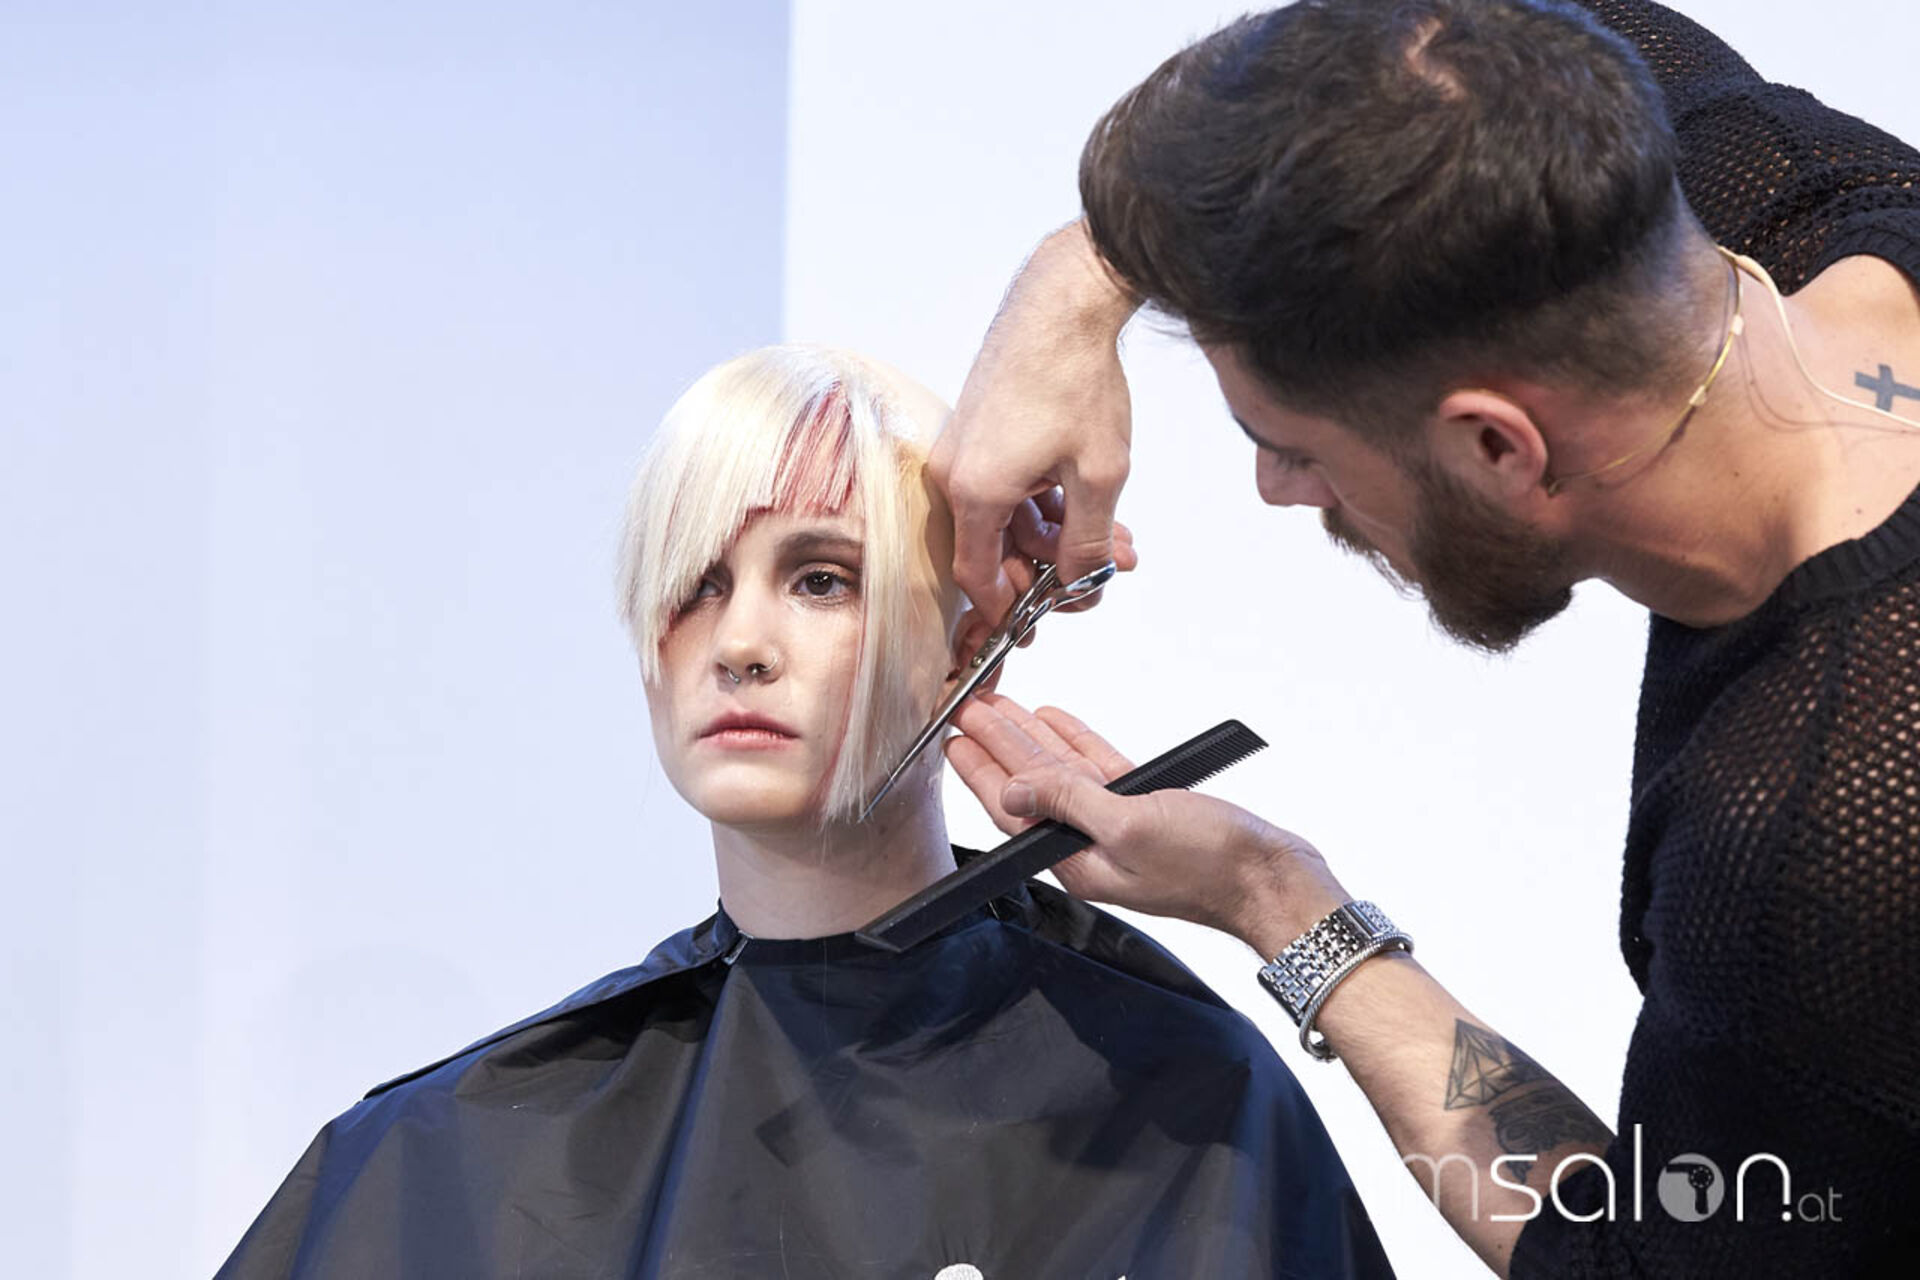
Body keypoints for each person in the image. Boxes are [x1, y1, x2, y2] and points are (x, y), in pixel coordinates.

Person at [930, 1, 1920, 1277]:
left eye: (1290, 449)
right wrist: (1077, 286)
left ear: (1497, 445)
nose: (1276, 491)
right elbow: (1436, 57)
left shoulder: (1826, 837)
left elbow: (1632, 1257)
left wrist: (1276, 899)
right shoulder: (1796, 197)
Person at [213, 344, 1396, 1279]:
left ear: (967, 647)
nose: (738, 643)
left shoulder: (1177, 1103)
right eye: (695, 584)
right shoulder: (441, 1156)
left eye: (822, 578)